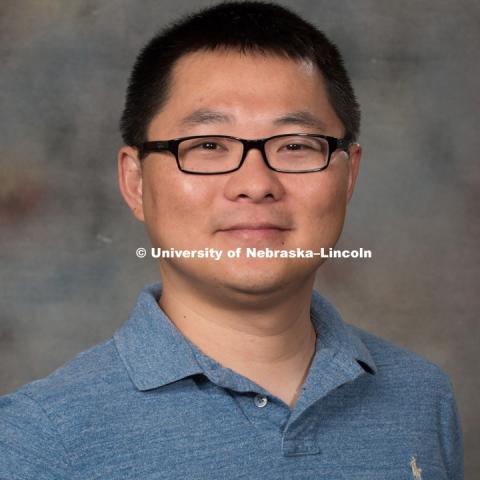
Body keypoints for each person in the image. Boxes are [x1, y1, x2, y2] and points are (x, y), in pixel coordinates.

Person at [0, 2, 463, 479]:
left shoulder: (422, 398)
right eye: (207, 146)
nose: (255, 183)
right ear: (135, 181)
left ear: (348, 175)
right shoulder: (37, 437)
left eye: (296, 145)